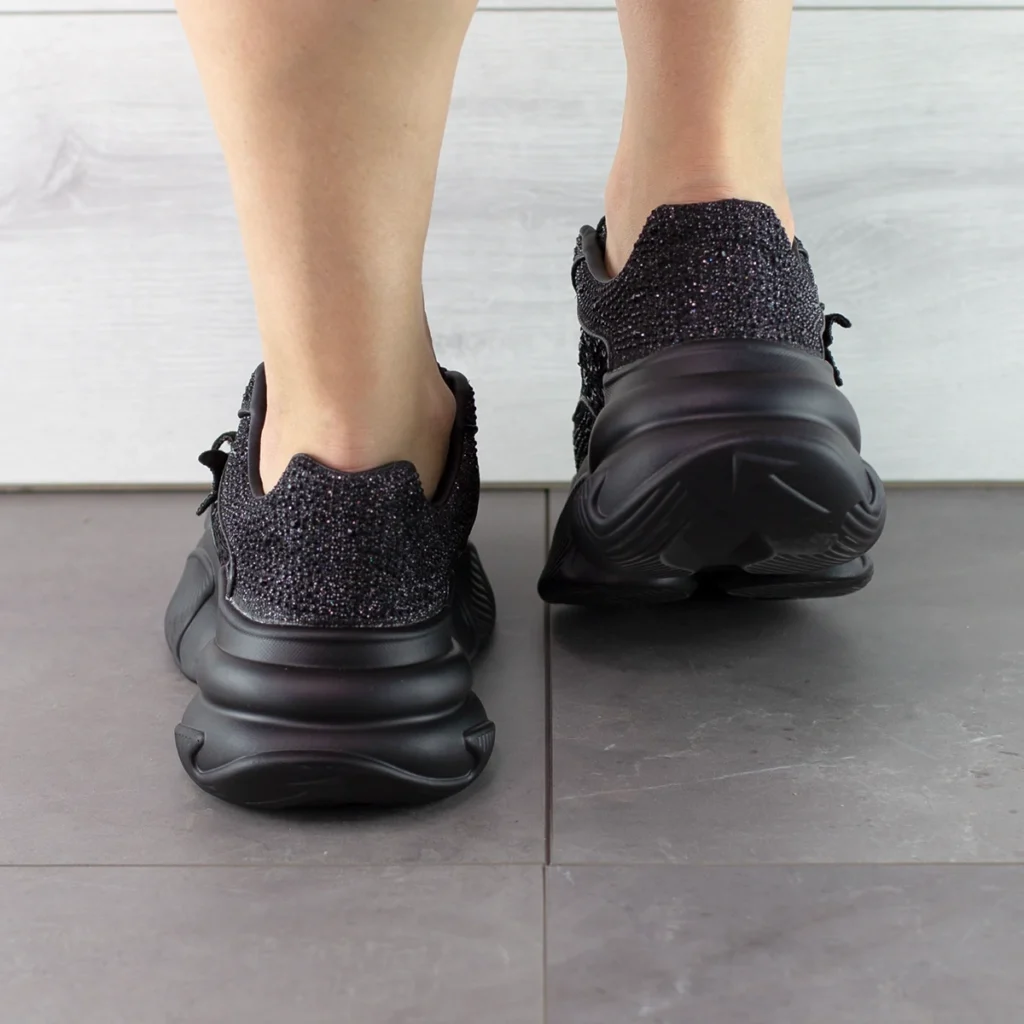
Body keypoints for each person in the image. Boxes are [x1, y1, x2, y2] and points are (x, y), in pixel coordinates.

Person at [164, 0, 885, 810]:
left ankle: (341, 453)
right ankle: (720, 275)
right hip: (755, 324)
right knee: (707, 161)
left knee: (343, 396)